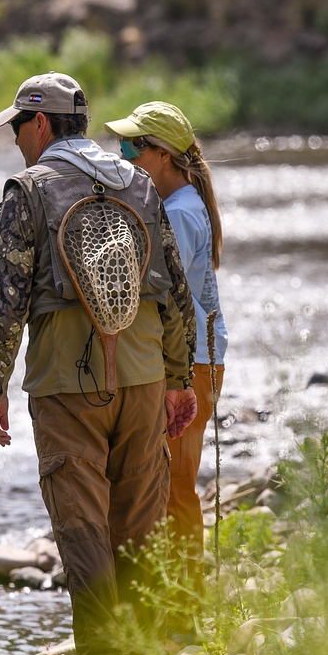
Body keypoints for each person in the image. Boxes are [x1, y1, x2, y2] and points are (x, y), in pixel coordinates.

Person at [0, 72, 198, 655]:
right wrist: (178, 378)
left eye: (18, 128)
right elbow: (174, 289)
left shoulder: (28, 189)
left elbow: (4, 301)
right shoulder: (138, 182)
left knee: (82, 528)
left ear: (40, 124)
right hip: (144, 375)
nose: (16, 140)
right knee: (139, 522)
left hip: (65, 386)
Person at [103, 102, 226, 601]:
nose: (124, 155)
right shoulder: (180, 204)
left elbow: (152, 293)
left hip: (189, 365)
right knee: (170, 485)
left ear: (163, 155)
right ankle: (174, 601)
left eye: (132, 146)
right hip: (191, 360)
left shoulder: (177, 213)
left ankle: (184, 610)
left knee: (174, 489)